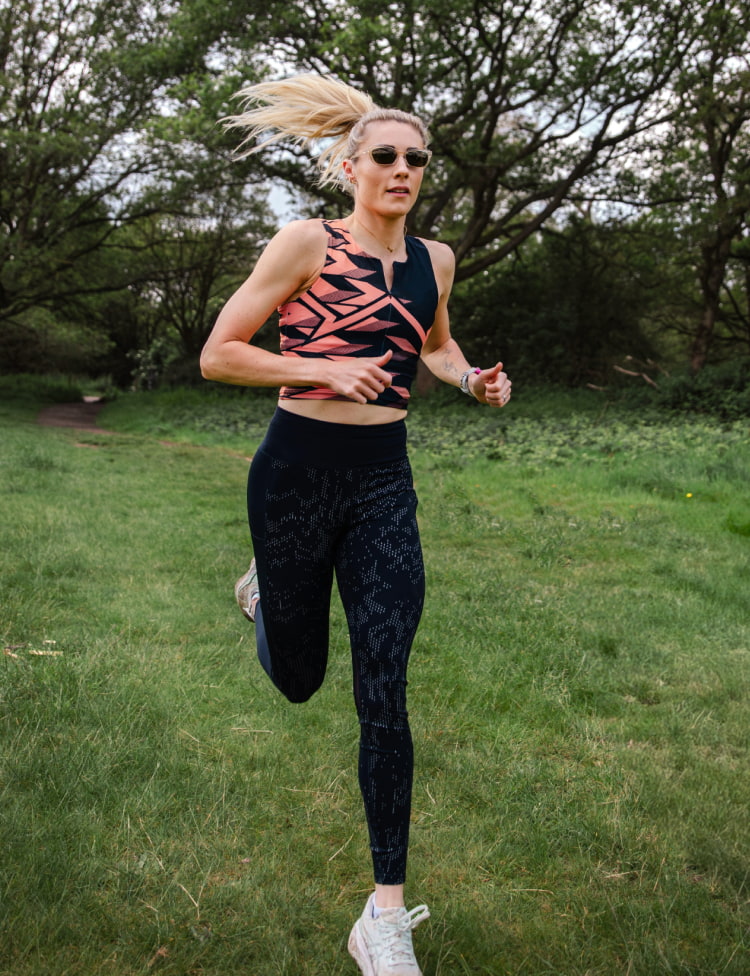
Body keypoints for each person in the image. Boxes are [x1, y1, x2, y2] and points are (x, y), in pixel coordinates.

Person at [200, 74, 512, 976]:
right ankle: (265, 588)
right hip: (295, 475)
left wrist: (469, 382)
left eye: (417, 158)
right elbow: (221, 354)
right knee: (299, 680)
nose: (403, 168)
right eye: (386, 155)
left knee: (386, 690)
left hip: (384, 482)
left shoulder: (436, 260)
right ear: (349, 166)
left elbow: (435, 344)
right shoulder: (306, 242)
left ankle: (381, 918)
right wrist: (324, 370)